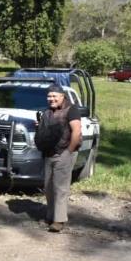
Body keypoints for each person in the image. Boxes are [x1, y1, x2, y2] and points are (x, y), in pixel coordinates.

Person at [38, 84, 81, 232]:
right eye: (49, 96)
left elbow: (77, 132)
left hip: (64, 153)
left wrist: (69, 151)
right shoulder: (47, 112)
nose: (51, 99)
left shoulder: (72, 110)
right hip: (49, 153)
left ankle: (59, 220)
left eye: (54, 96)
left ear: (62, 96)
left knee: (60, 187)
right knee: (49, 187)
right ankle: (50, 216)